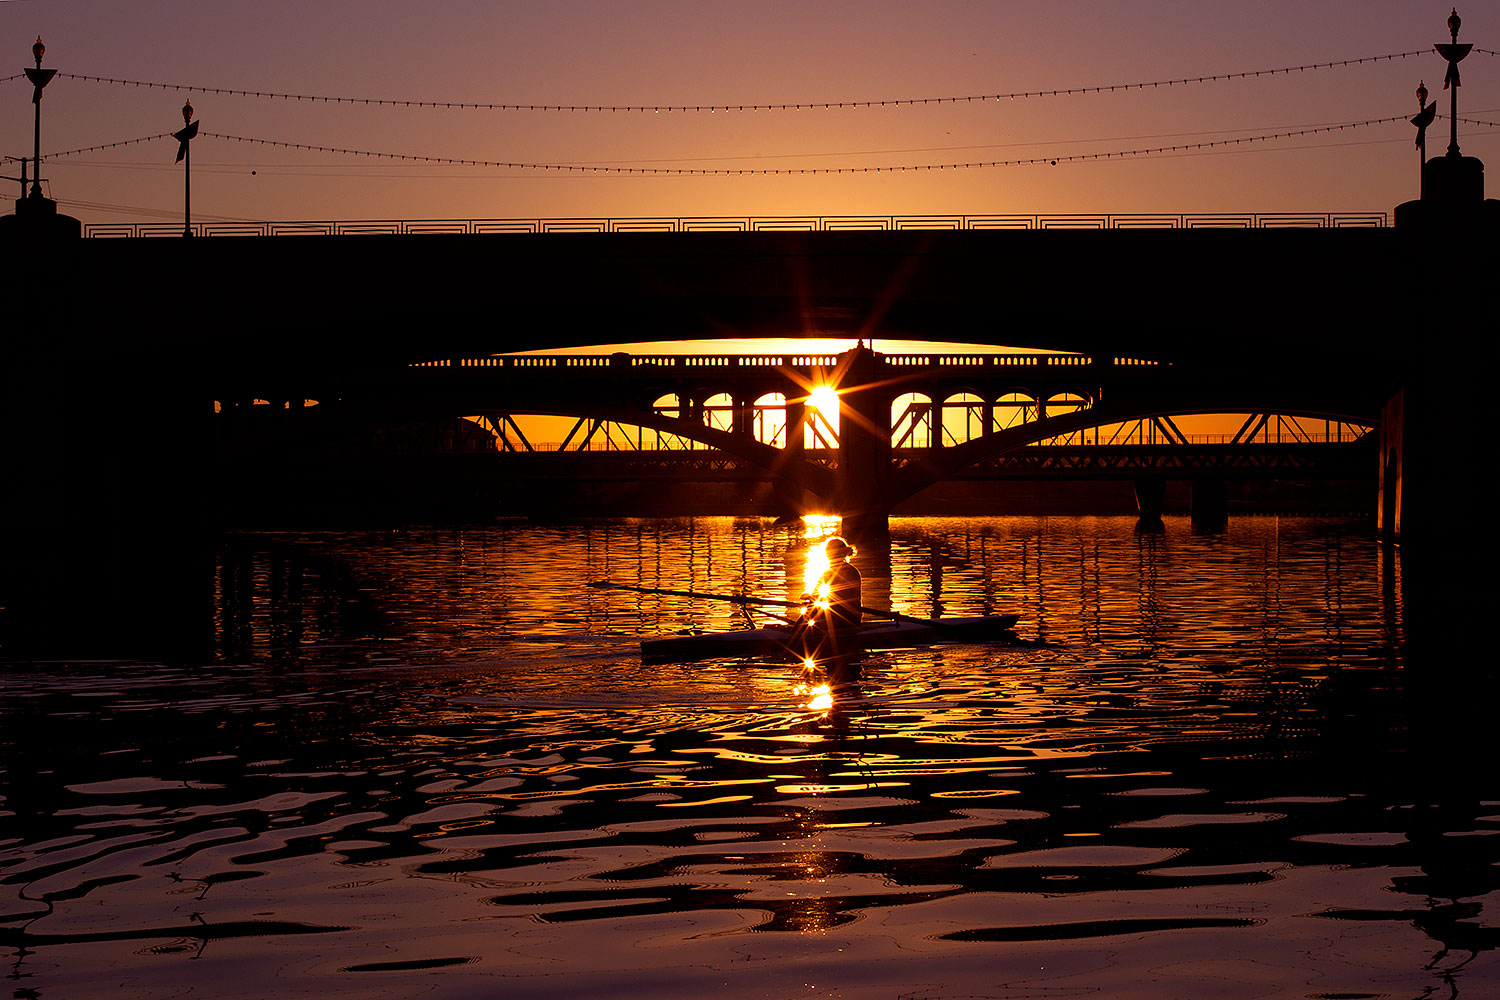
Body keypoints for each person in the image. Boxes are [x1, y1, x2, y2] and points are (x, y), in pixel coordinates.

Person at [798, 536, 863, 682]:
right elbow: (816, 595)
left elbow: (833, 599)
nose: (827, 555)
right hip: (843, 617)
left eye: (829, 552)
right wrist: (810, 598)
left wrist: (812, 600)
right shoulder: (833, 572)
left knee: (813, 611)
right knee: (812, 609)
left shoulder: (846, 572)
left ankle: (796, 636)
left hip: (846, 619)